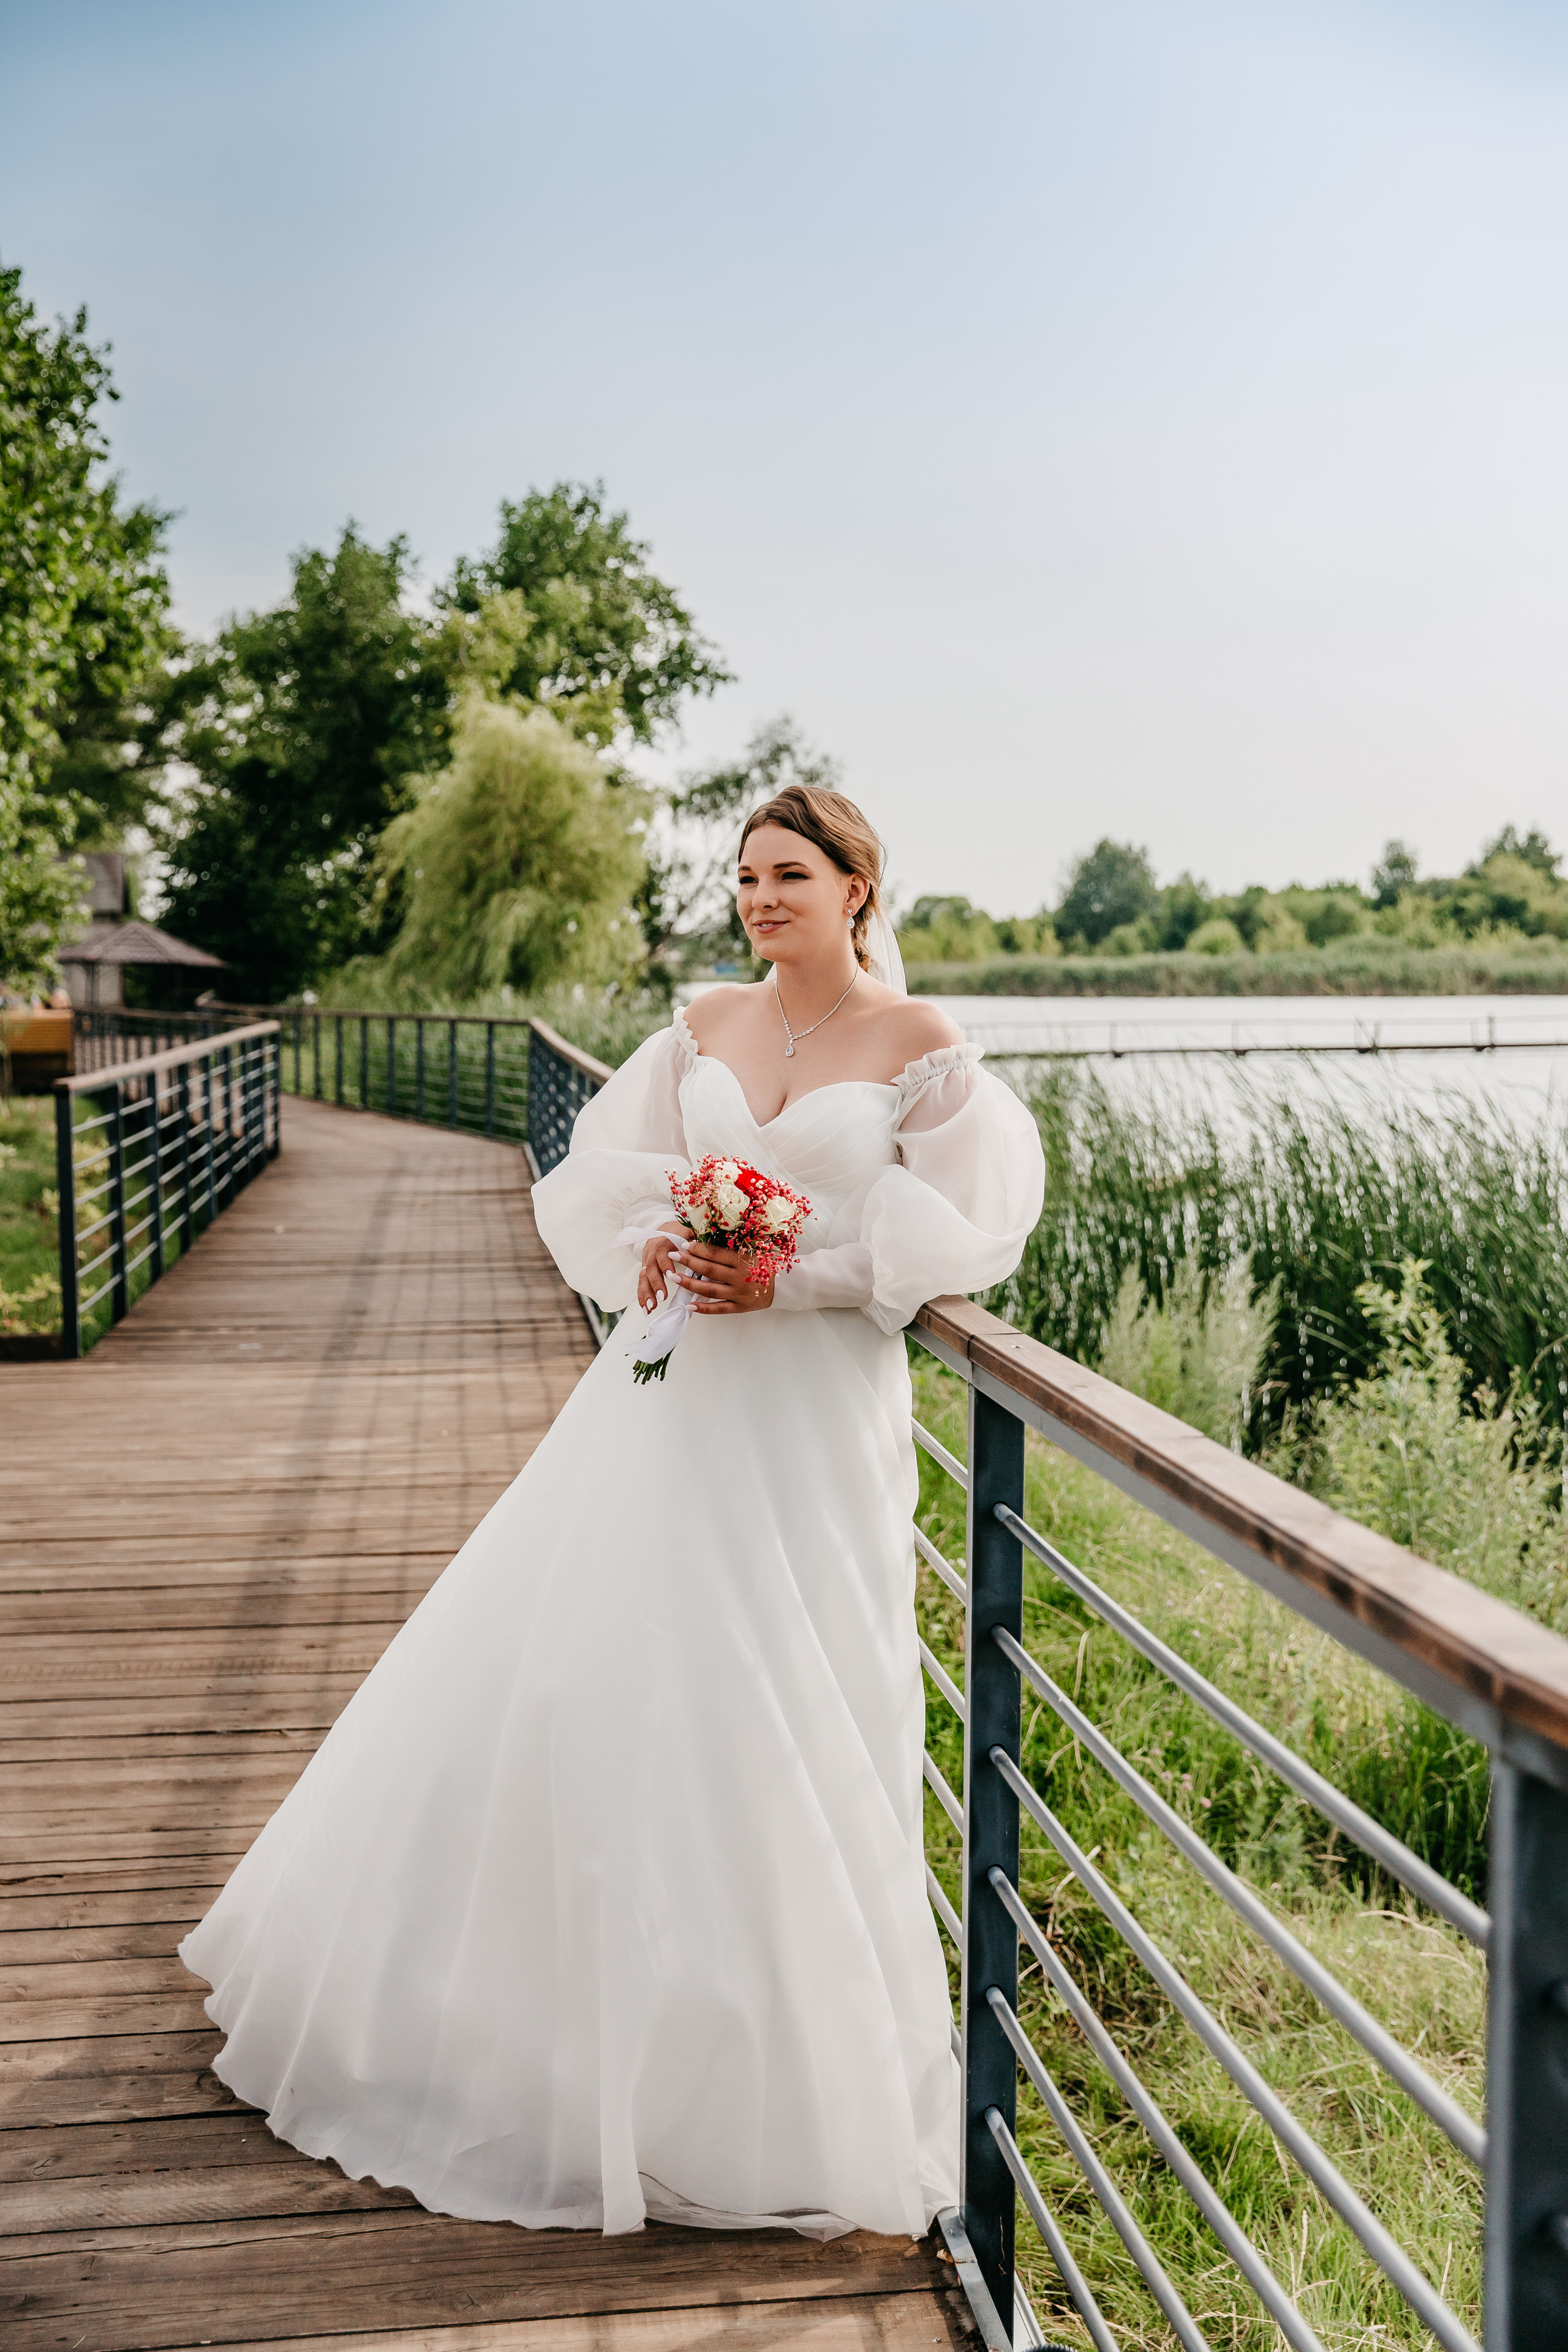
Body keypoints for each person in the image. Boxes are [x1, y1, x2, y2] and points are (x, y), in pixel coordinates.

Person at [179, 785, 1046, 2242]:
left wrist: (797, 1278)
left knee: (790, 1689)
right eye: (745, 876)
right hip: (670, 1387)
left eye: (788, 875)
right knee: (607, 1670)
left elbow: (961, 1240)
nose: (759, 898)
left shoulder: (919, 1045)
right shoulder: (702, 1023)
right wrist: (658, 1238)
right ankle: (548, 2041)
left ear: (855, 888)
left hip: (811, 1412)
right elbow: (604, 1177)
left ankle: (766, 2078)